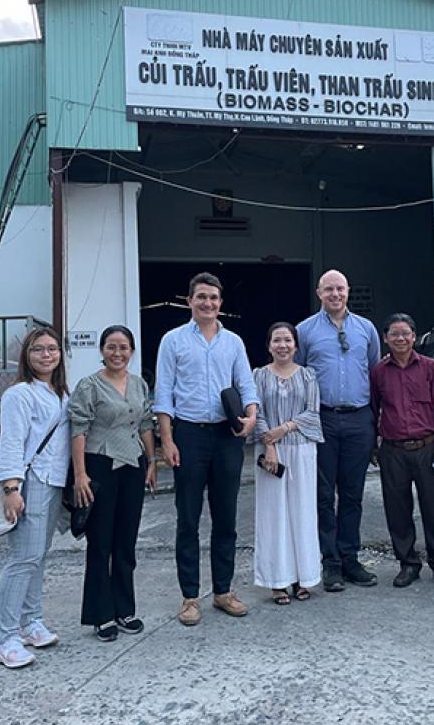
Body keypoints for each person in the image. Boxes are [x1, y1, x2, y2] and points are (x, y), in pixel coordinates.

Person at [153, 272, 260, 627]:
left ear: (220, 303)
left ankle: (223, 591)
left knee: (226, 516)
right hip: (188, 435)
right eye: (201, 297)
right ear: (189, 301)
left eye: (214, 297)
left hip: (226, 436)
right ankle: (189, 597)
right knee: (188, 518)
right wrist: (167, 441)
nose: (208, 303)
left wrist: (250, 418)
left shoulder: (233, 343)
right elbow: (164, 393)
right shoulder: (173, 341)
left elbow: (246, 384)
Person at [0, 325, 70, 668]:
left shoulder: (60, 394)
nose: (46, 354)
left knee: (38, 556)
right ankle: (2, 639)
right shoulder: (19, 394)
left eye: (52, 348)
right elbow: (10, 443)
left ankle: (29, 621)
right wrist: (11, 488)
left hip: (53, 482)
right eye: (38, 349)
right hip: (29, 482)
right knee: (22, 559)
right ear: (26, 355)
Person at [69, 325, 158, 641]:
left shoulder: (138, 385)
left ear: (132, 351)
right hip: (100, 465)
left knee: (126, 541)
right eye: (111, 347)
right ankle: (101, 613)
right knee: (100, 542)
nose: (117, 353)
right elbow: (78, 430)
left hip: (133, 465)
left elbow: (146, 423)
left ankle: (124, 608)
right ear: (102, 350)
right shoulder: (89, 386)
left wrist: (152, 462)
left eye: (124, 347)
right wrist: (81, 475)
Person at [296, 269, 381, 592]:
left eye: (340, 289)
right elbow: (299, 374)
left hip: (359, 419)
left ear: (348, 291)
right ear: (319, 293)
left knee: (352, 494)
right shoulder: (305, 331)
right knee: (322, 495)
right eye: (328, 289)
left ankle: (350, 558)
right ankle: (329, 562)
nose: (335, 294)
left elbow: (374, 373)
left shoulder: (366, 329)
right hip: (323, 420)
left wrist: (375, 423)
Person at [369, 313, 434, 588]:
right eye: (394, 334)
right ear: (385, 338)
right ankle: (408, 563)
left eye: (405, 333)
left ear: (414, 337)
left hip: (428, 447)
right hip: (393, 449)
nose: (400, 338)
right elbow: (373, 409)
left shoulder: (431, 368)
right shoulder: (379, 372)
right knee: (397, 509)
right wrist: (373, 445)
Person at [251, 322, 323, 605]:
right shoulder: (258, 376)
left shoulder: (307, 376)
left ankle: (303, 577)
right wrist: (269, 445)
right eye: (277, 340)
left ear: (296, 345)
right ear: (269, 345)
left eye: (288, 340)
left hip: (302, 449)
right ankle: (277, 581)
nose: (283, 346)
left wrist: (285, 428)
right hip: (271, 453)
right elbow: (255, 412)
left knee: (303, 514)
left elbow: (312, 412)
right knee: (273, 515)